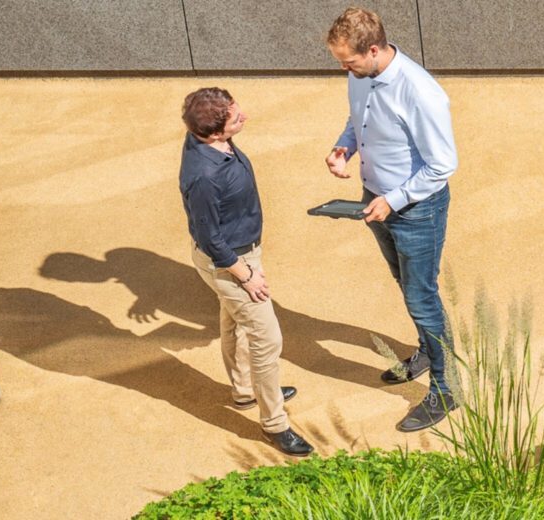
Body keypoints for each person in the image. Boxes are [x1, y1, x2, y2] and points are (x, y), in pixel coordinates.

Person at [322, 6, 461, 432]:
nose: (344, 68)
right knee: (405, 284)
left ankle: (447, 388)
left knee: (421, 296)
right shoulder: (360, 75)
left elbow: (442, 164)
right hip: (376, 200)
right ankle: (426, 349)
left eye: (348, 61)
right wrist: (345, 147)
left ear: (375, 49)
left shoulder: (421, 92)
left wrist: (395, 199)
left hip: (416, 209)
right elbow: (358, 120)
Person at [176, 87, 310, 456]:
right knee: (267, 339)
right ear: (215, 133)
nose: (244, 117)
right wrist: (246, 275)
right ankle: (275, 424)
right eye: (236, 118)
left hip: (241, 252)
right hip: (232, 261)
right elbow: (209, 237)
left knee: (232, 320)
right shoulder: (203, 176)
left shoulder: (209, 141)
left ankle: (245, 390)